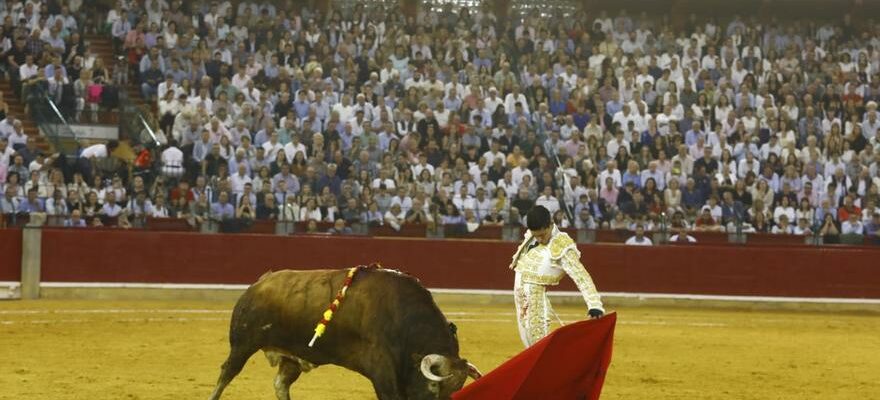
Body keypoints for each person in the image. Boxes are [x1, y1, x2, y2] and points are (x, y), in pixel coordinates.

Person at [508, 205, 604, 347]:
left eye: (542, 235)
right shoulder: (532, 236)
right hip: (520, 294)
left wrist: (594, 305)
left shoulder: (562, 245)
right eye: (536, 236)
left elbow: (581, 276)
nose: (539, 239)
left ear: (551, 223)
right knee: (528, 342)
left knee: (538, 342)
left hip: (536, 296)